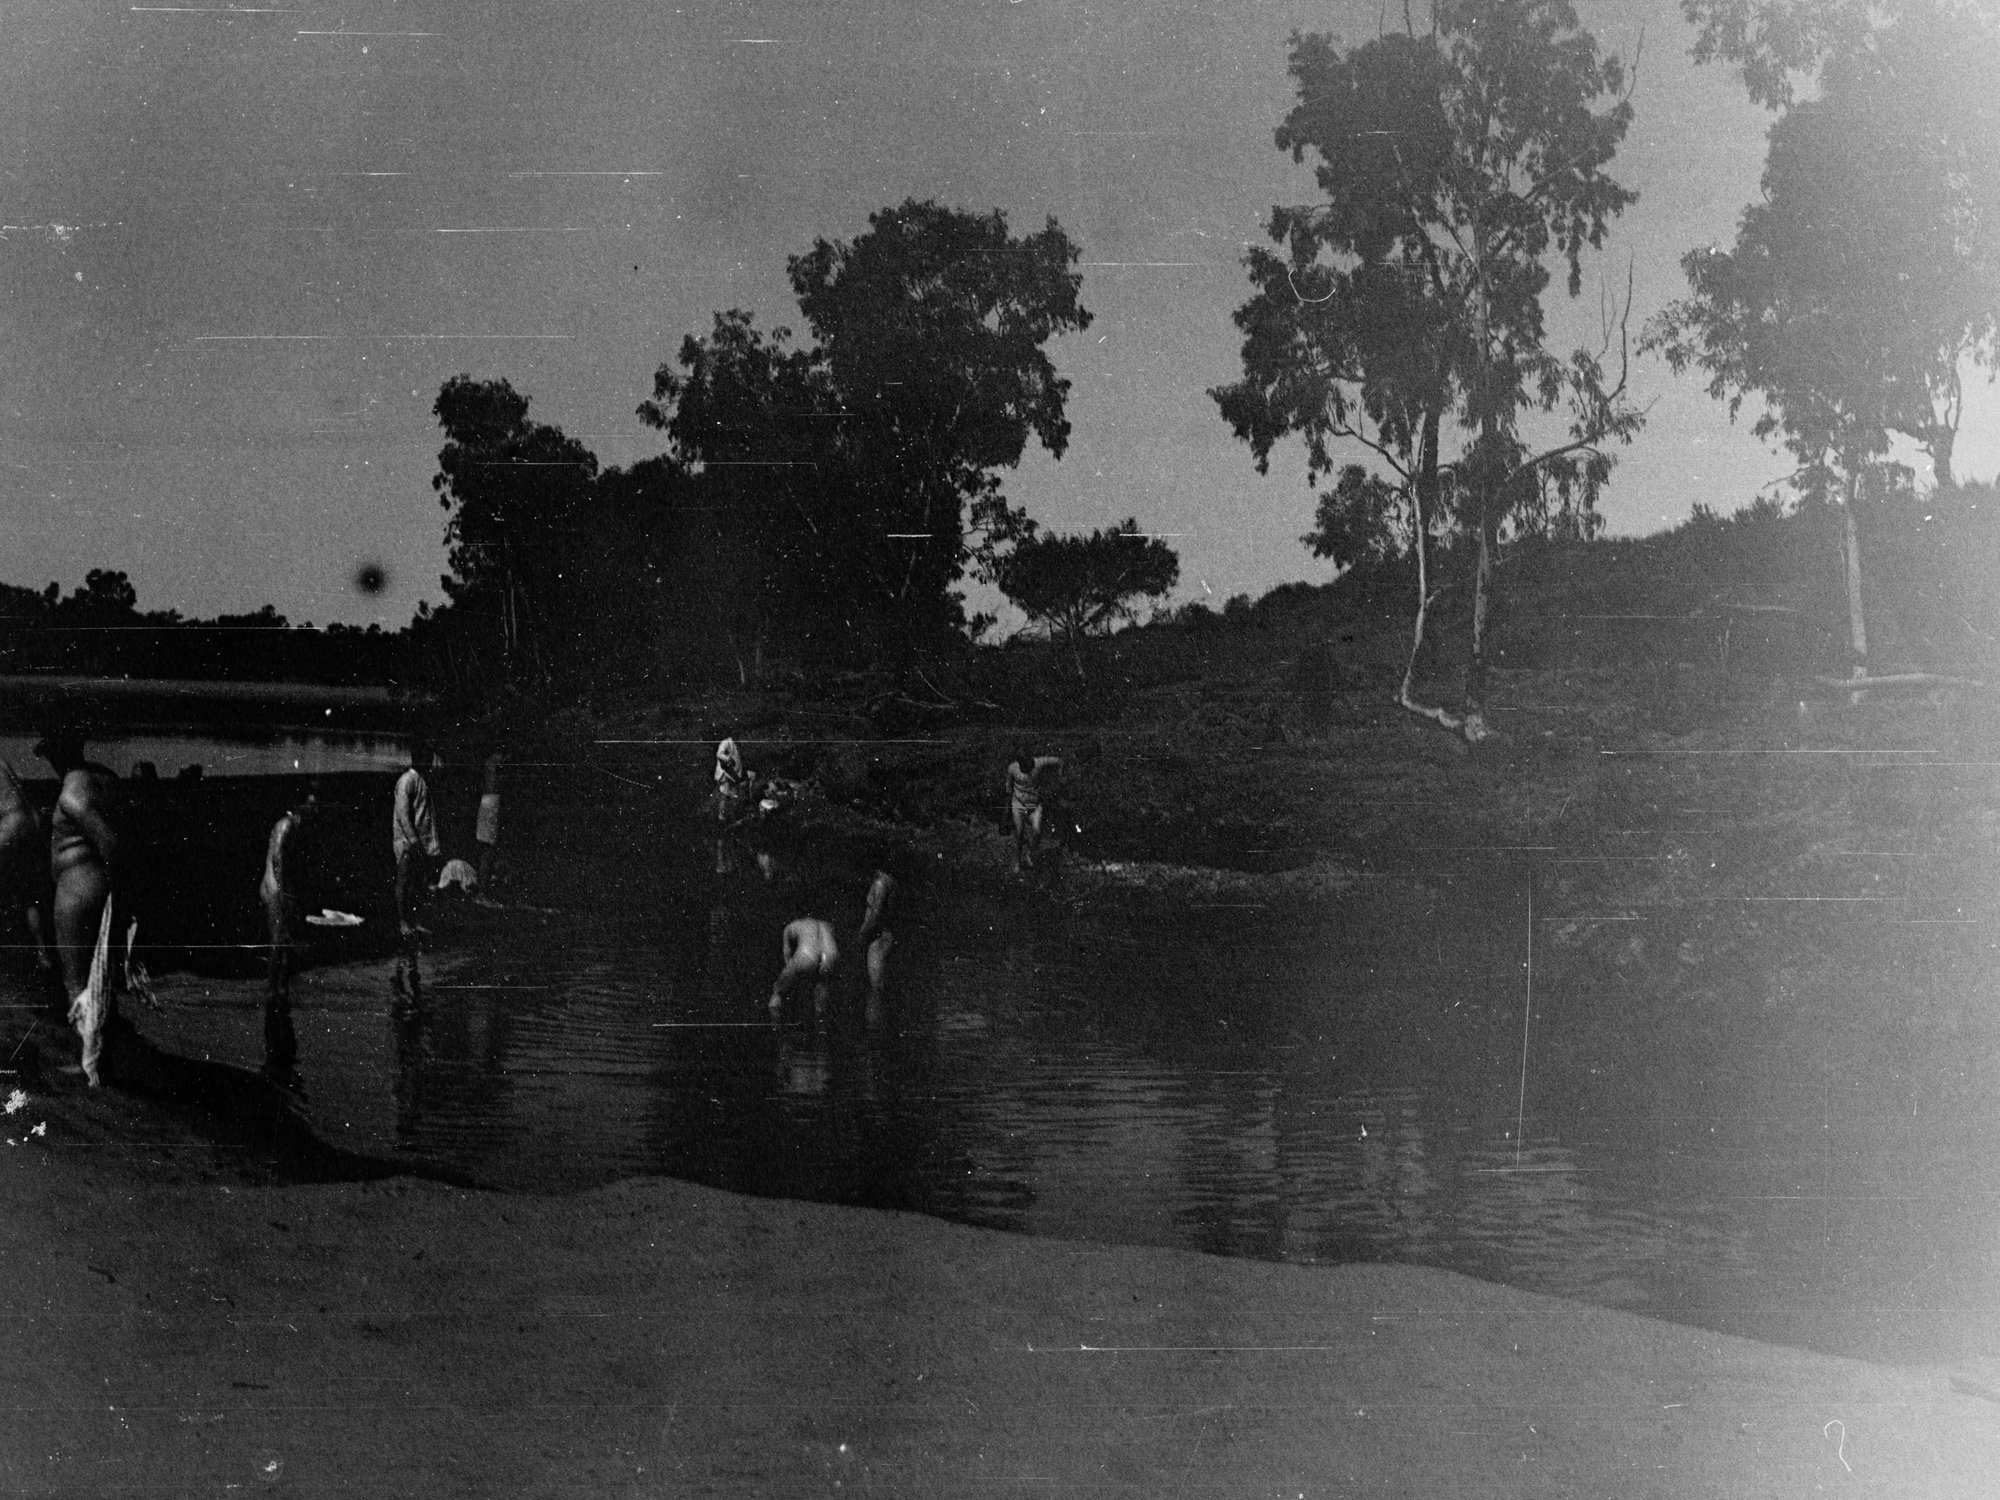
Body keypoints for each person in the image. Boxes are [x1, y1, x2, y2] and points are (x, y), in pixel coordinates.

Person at [36, 732, 120, 1084]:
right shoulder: (100, 777)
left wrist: (119, 888)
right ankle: (102, 1056)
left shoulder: (71, 790)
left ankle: (86, 1063)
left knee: (76, 982)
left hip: (76, 890)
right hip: (95, 886)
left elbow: (108, 840)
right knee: (101, 976)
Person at [258, 788, 319, 1081]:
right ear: (299, 807)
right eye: (311, 806)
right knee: (277, 942)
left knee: (282, 943)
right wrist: (284, 892)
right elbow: (279, 857)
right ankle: (272, 990)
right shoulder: (287, 825)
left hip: (279, 889)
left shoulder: (295, 827)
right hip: (275, 890)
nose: (314, 811)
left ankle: (279, 988)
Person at [391, 740, 442, 999]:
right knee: (404, 882)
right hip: (409, 843)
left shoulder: (421, 780)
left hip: (419, 844)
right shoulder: (407, 781)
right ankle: (403, 921)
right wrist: (413, 841)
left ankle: (410, 923)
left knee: (415, 886)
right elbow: (403, 814)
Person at [0, 760, 53, 979]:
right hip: (31, 821)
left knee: (23, 893)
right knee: (28, 895)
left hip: (11, 823)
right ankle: (43, 954)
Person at [1005, 748, 1064, 877]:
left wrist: (1059, 775)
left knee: (1037, 832)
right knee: (1019, 835)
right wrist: (1008, 811)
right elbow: (1008, 787)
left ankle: (1029, 853)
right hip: (1019, 804)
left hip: (1035, 805)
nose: (1026, 768)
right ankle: (1016, 861)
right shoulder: (1012, 768)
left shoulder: (1039, 762)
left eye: (1028, 764)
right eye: (1023, 765)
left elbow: (1059, 761)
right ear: (1019, 763)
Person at [770, 916, 839, 1012]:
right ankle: (820, 1014)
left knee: (778, 988)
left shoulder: (792, 925)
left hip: (807, 955)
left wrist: (789, 970)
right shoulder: (827, 924)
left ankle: (774, 1013)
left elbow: (787, 952)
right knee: (822, 985)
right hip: (831, 954)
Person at [857, 861, 898, 1003]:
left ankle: (875, 1022)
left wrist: (861, 935)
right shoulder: (889, 881)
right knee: (879, 985)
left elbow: (876, 914)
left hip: (878, 936)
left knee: (876, 987)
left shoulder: (880, 883)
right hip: (884, 934)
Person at [474, 750, 504, 893]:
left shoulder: (490, 761)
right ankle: (483, 891)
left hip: (487, 801)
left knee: (489, 848)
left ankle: (485, 890)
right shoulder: (498, 761)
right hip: (492, 802)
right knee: (489, 849)